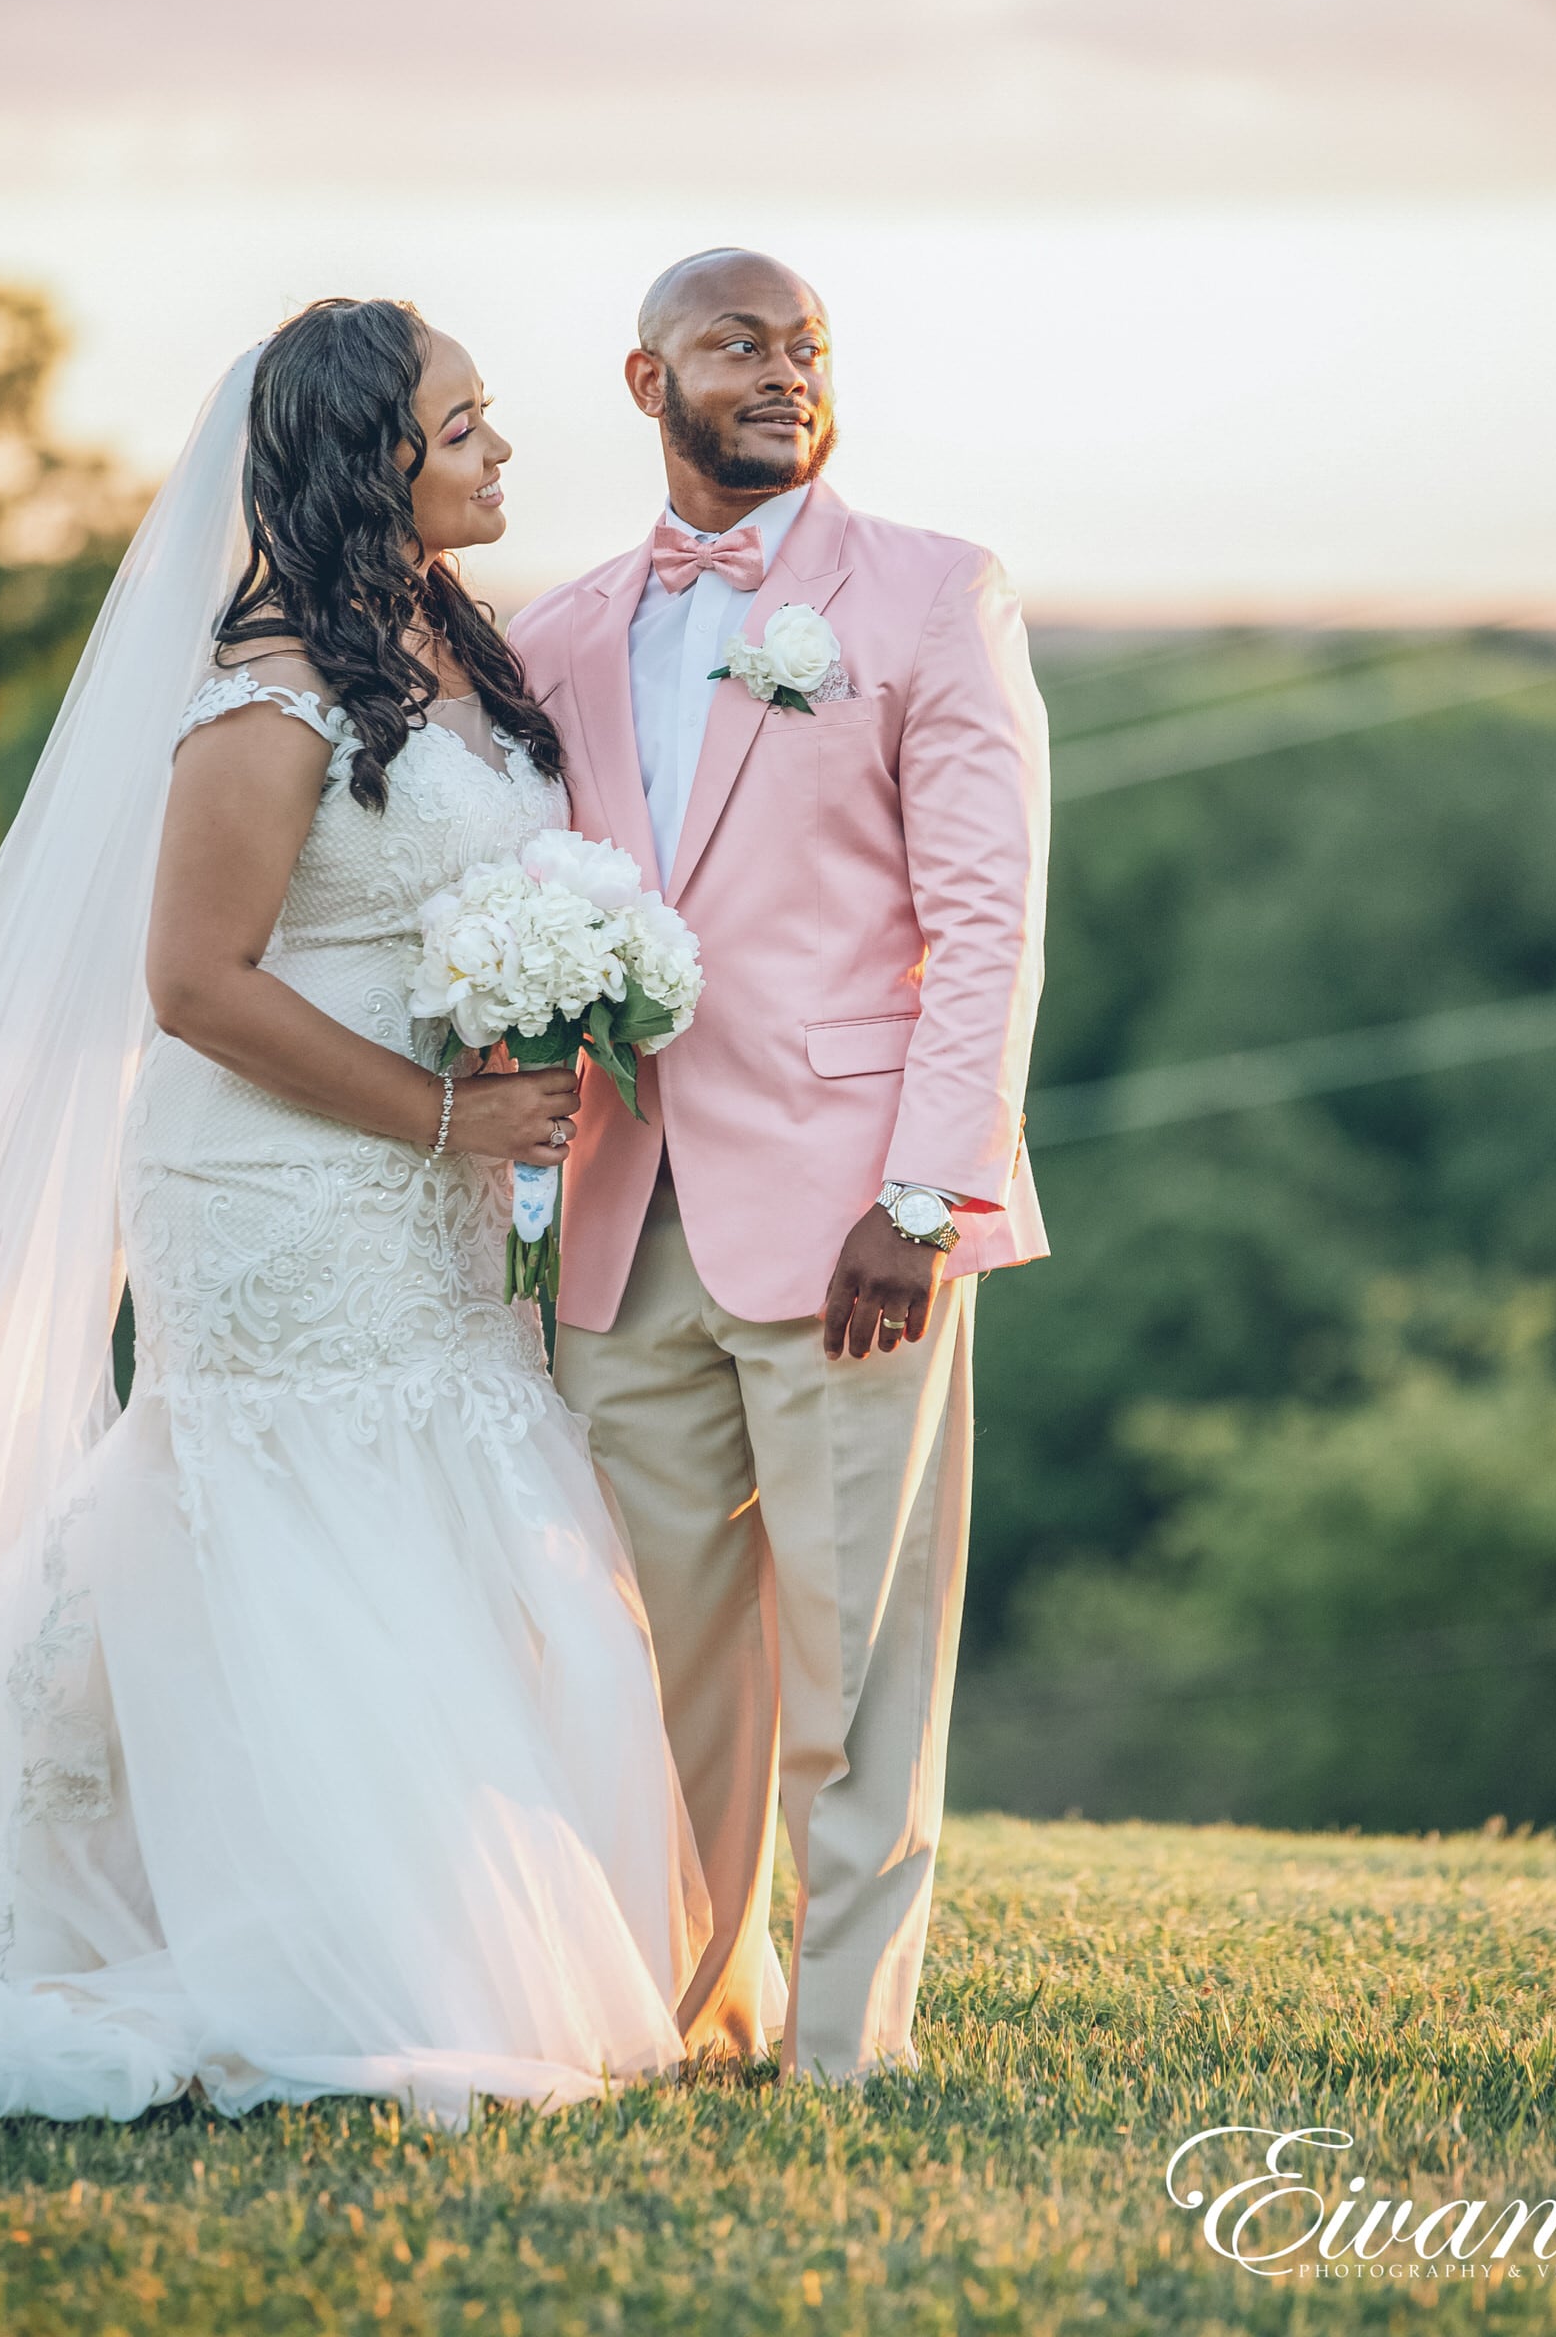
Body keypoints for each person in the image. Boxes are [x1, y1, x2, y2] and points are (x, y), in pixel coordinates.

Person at [0, 298, 709, 2128]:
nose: (502, 451)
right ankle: (324, 1943)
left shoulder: (448, 645)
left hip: (432, 1188)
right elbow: (193, 982)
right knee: (302, 1508)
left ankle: (445, 1912)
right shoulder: (270, 687)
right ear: (377, 459)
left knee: (441, 1487)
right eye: (466, 426)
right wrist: (447, 1113)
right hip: (277, 1181)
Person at [509, 248, 1051, 2081]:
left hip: (851, 1220)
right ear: (647, 375)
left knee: (856, 1657)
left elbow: (984, 922)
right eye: (739, 342)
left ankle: (847, 2045)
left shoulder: (928, 593)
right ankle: (677, 2017)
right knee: (654, 1664)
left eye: (807, 345)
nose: (783, 370)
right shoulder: (564, 630)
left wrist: (922, 1200)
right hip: (621, 1220)